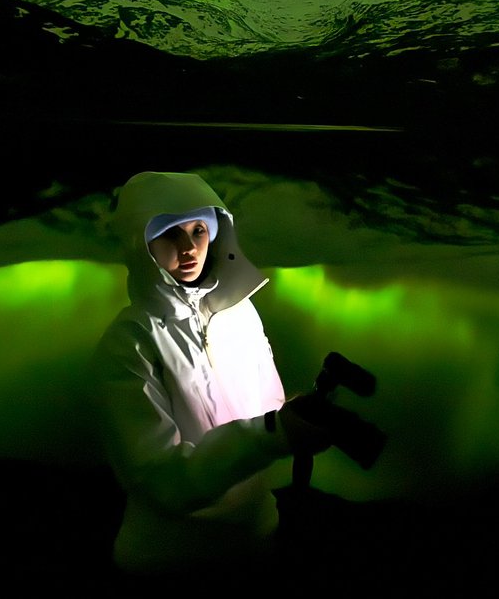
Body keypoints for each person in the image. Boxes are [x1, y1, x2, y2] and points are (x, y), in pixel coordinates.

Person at [92, 169, 326, 573]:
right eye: (169, 233)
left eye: (199, 230)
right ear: (138, 241)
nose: (188, 247)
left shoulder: (239, 312)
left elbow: (267, 408)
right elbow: (162, 480)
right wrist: (276, 432)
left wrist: (296, 416)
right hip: (169, 559)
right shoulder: (129, 341)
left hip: (257, 541)